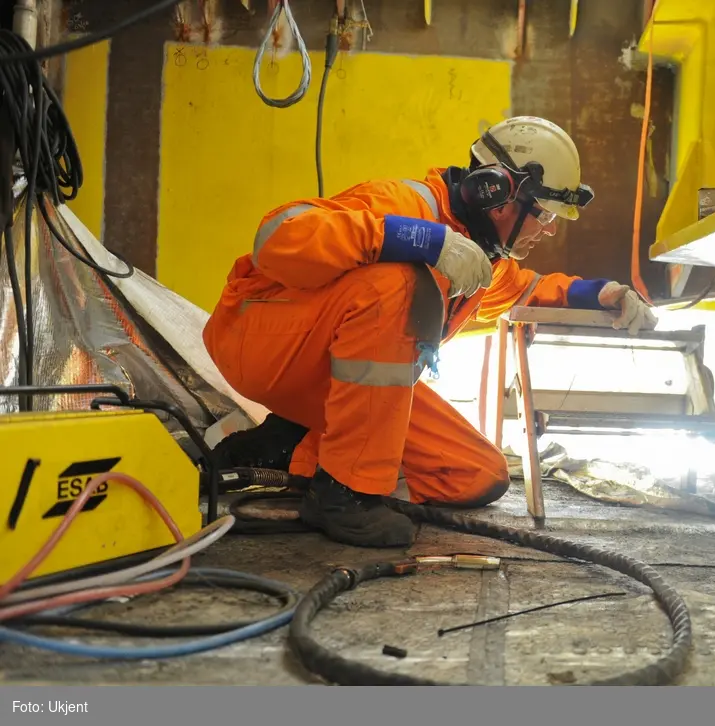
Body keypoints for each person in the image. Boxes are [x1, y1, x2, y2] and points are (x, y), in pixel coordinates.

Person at [203, 116, 657, 548]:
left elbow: (523, 289)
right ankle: (345, 495)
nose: (549, 229)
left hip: (327, 382)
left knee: (477, 474)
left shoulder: (478, 254)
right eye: (543, 213)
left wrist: (601, 294)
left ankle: (289, 449)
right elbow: (278, 238)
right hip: (258, 343)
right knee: (395, 285)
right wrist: (420, 240)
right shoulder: (405, 204)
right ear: (494, 190)